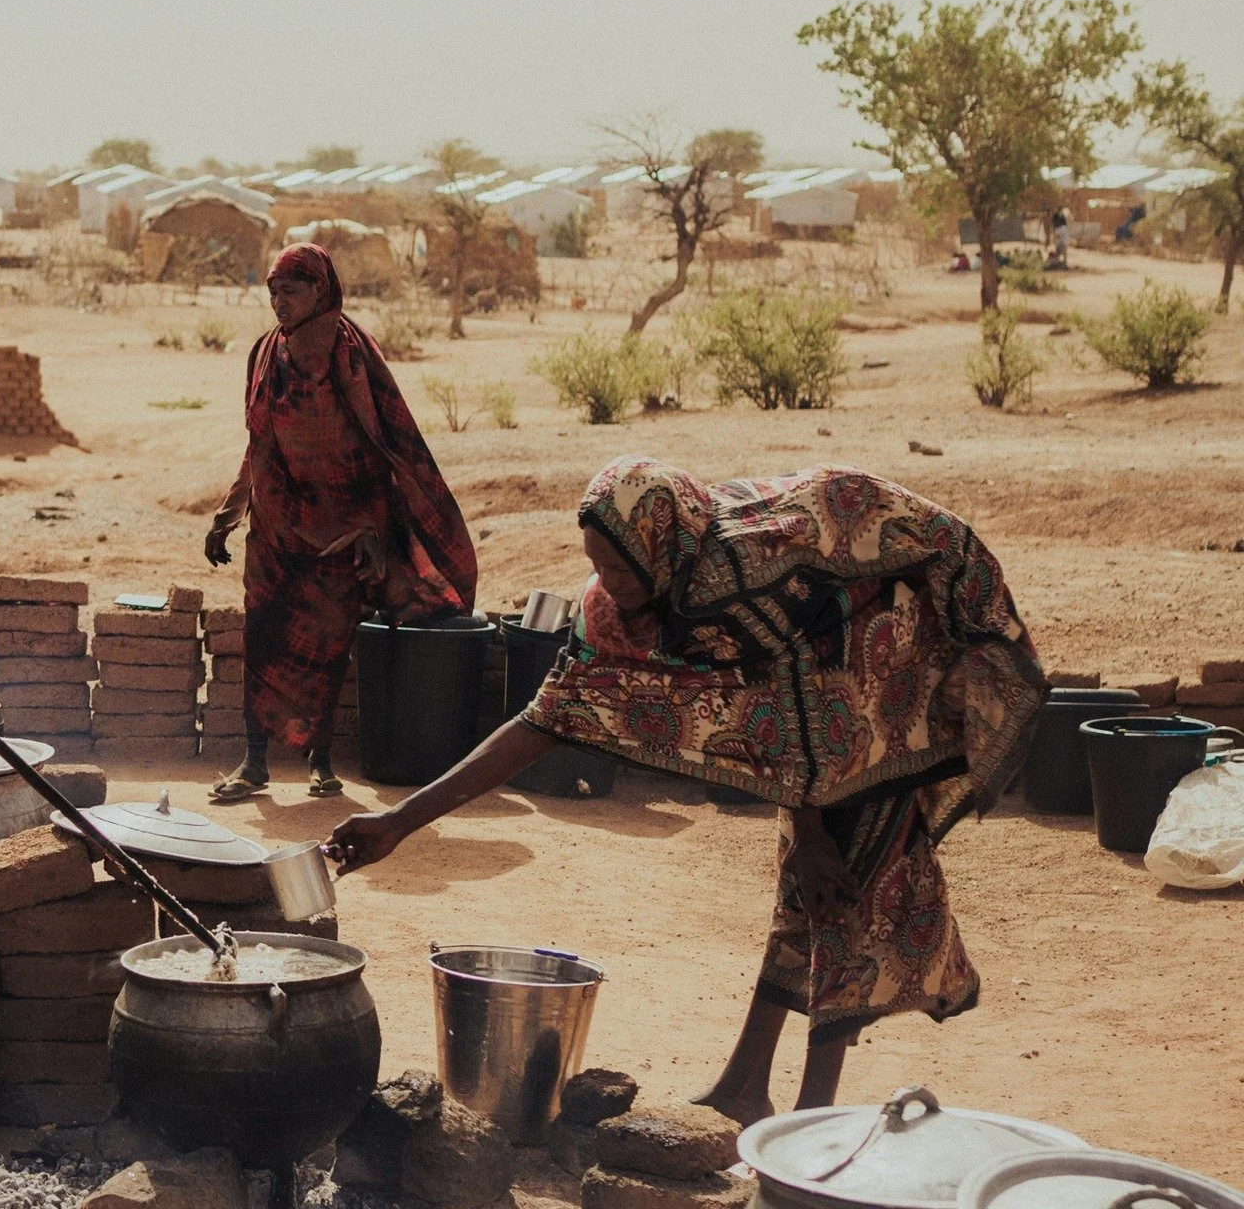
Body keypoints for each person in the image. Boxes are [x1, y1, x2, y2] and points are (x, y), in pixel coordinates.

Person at [328, 456, 1045, 1124]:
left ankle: (810, 1122)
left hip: (880, 655)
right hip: (815, 693)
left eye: (618, 566)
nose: (606, 580)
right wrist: (399, 820)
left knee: (849, 890)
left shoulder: (737, 580)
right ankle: (745, 1085)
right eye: (596, 564)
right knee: (808, 878)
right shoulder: (623, 602)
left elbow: (807, 694)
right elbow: (545, 719)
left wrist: (817, 833)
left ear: (658, 548)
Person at [204, 243, 477, 802]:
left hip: (342, 529)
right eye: (274, 292)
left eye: (292, 291)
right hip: (276, 525)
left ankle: (320, 761)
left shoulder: (349, 351)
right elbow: (258, 443)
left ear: (322, 291)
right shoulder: (264, 352)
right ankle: (254, 763)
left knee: (326, 646)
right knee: (263, 638)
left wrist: (374, 531)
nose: (280, 302)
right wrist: (228, 515)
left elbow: (380, 444)